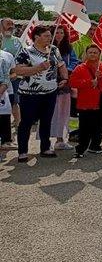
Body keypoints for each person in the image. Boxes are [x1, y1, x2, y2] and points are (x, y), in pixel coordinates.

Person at [14, 25, 69, 162]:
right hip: (30, 94)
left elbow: (61, 65)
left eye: (50, 36)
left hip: (50, 92)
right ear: (36, 37)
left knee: (46, 120)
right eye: (46, 36)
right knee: (26, 122)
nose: (49, 38)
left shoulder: (54, 50)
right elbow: (18, 70)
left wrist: (65, 78)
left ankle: (45, 147)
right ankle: (23, 151)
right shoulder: (26, 52)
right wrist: (38, 68)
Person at [69, 43, 102, 158]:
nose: (93, 54)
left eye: (95, 52)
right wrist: (88, 82)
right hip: (85, 103)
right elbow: (73, 82)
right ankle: (80, 149)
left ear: (99, 54)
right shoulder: (80, 68)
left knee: (99, 125)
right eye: (90, 52)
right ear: (86, 54)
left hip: (101, 101)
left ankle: (95, 146)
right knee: (84, 127)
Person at [47, 24, 78, 151]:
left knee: (63, 111)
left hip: (64, 83)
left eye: (61, 33)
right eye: (57, 33)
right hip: (48, 83)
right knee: (48, 112)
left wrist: (66, 70)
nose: (59, 35)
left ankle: (60, 140)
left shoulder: (69, 48)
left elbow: (74, 61)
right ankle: (46, 140)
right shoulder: (47, 48)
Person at [1, 17, 23, 133]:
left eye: (12, 24)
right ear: (1, 25)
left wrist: (15, 72)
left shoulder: (17, 41)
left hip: (14, 77)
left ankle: (18, 122)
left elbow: (21, 57)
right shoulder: (0, 39)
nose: (10, 26)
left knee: (14, 100)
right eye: (7, 24)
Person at [0, 46, 14, 151]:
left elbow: (12, 72)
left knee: (4, 115)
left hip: (6, 90)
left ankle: (6, 141)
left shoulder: (7, 56)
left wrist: (11, 77)